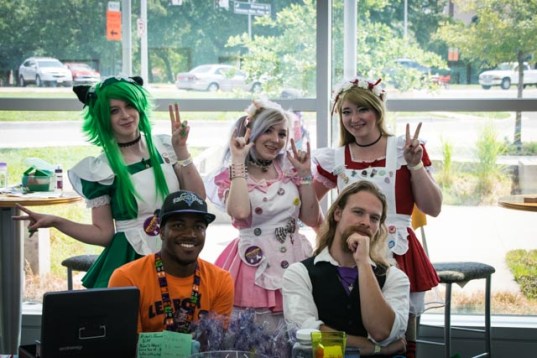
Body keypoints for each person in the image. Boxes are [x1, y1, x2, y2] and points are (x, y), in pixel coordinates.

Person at [13, 75, 205, 288]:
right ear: (103, 119)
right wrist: (57, 222)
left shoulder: (165, 148)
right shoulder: (101, 170)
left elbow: (197, 200)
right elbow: (104, 234)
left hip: (174, 251)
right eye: (114, 111)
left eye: (129, 106)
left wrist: (181, 150)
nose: (125, 116)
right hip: (129, 259)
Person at [312, 76, 443, 357]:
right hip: (347, 255)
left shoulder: (404, 149)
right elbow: (309, 211)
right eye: (346, 111)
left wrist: (415, 164)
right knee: (348, 326)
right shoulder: (334, 159)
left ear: (377, 110)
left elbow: (433, 207)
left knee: (401, 338)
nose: (354, 118)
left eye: (362, 109)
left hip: (398, 252)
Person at [205, 98, 322, 330]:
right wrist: (238, 161)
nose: (276, 140)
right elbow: (239, 211)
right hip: (253, 261)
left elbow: (311, 219)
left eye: (282, 134)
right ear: (252, 133)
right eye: (268, 131)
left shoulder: (290, 168)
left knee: (298, 331)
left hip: (295, 254)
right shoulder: (234, 174)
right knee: (258, 338)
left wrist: (306, 175)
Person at [282, 180, 409, 356]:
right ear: (337, 214)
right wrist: (376, 349)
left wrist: (363, 262)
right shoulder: (299, 273)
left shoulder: (394, 277)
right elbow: (306, 337)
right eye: (358, 212)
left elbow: (382, 332)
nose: (366, 222)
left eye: (374, 218)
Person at [109, 190, 234, 333]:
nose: (190, 234)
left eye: (198, 227)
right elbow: (127, 345)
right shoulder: (127, 279)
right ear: (161, 232)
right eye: (178, 226)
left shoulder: (221, 280)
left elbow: (215, 344)